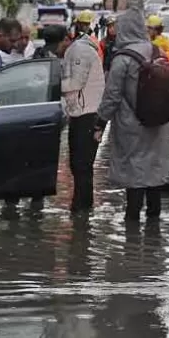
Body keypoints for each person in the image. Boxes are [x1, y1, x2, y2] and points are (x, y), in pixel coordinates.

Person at [97, 9, 169, 222]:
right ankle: (153, 230)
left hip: (132, 125)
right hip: (159, 123)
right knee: (154, 171)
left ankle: (132, 228)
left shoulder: (123, 59)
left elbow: (111, 96)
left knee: (134, 174)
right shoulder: (158, 52)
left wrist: (99, 123)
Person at [60, 19, 106, 213]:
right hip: (84, 113)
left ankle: (81, 210)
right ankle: (83, 210)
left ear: (64, 40)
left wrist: (52, 86)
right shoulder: (81, 48)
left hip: (87, 114)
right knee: (80, 166)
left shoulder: (80, 51)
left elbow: (76, 82)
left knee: (81, 166)